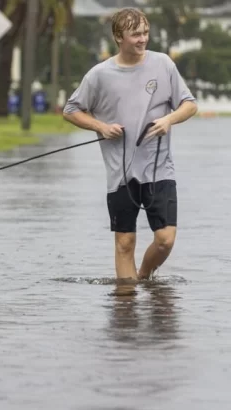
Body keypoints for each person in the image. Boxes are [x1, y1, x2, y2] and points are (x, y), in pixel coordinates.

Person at [62, 7, 198, 282]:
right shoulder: (99, 75)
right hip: (120, 174)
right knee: (124, 243)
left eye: (145, 33)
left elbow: (190, 104)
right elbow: (71, 110)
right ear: (118, 37)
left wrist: (169, 120)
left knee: (165, 240)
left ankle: (144, 275)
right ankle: (125, 311)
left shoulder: (163, 64)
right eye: (136, 34)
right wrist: (101, 126)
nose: (143, 39)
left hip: (159, 168)